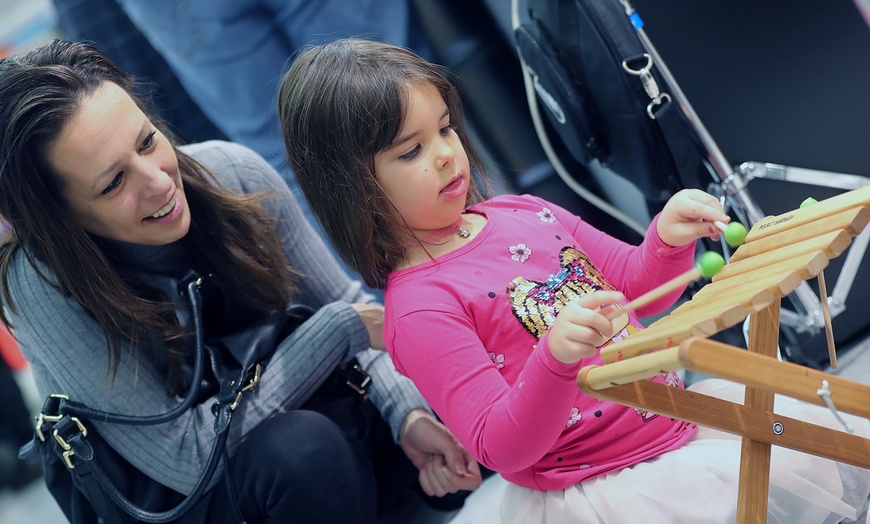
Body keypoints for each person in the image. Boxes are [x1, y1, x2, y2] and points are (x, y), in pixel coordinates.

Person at [277, 38, 870, 523]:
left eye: (445, 130)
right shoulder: (420, 309)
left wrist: (665, 237)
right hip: (609, 491)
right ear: (353, 188)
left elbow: (635, 284)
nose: (445, 156)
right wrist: (556, 358)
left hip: (684, 421)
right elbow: (497, 443)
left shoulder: (524, 212)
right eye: (411, 150)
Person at [0, 39, 481, 524]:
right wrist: (336, 329)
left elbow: (356, 310)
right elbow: (187, 459)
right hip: (190, 494)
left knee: (448, 368)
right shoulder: (41, 285)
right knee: (303, 453)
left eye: (147, 141)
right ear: (57, 218)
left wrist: (409, 416)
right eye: (113, 184)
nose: (159, 182)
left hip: (306, 434)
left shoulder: (229, 173)